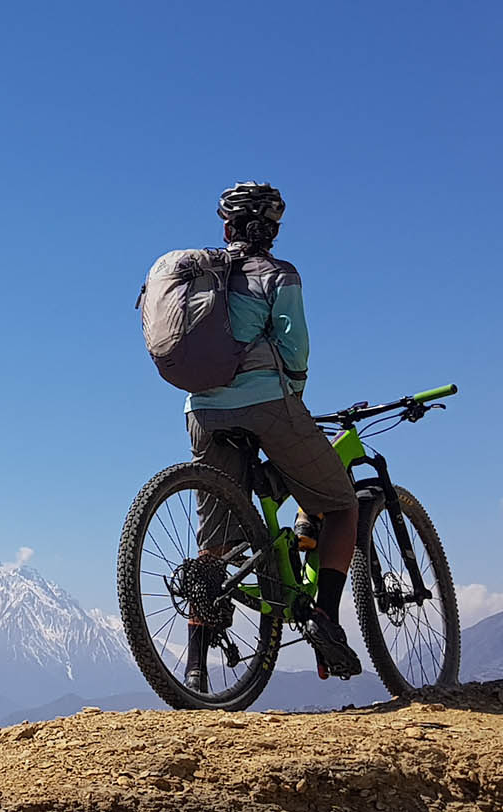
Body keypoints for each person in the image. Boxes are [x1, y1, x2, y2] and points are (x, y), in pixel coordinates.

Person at [184, 181, 361, 689]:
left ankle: (195, 669)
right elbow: (295, 348)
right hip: (266, 402)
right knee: (342, 505)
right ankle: (325, 619)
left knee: (212, 542)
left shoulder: (200, 278)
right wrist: (293, 395)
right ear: (274, 231)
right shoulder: (279, 274)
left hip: (201, 409)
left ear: (226, 228)